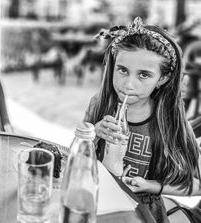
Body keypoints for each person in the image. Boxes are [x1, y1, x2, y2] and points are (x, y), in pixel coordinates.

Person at [83, 17, 201, 222]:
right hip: (97, 203)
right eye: (123, 70)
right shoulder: (99, 103)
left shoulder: (169, 122)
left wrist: (153, 186)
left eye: (144, 75)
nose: (128, 84)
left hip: (143, 214)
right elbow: (77, 159)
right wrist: (92, 134)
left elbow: (198, 185)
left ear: (162, 79)